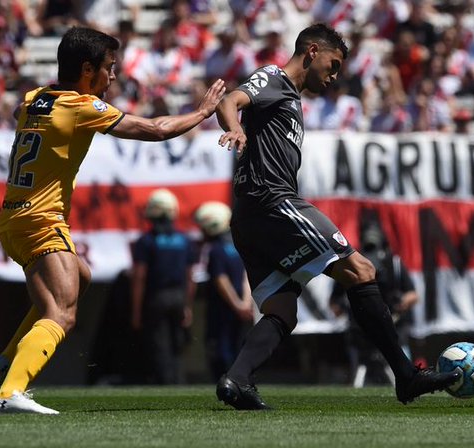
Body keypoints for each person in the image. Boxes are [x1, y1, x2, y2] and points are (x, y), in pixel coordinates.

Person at [213, 23, 460, 410]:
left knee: (282, 310)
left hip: (248, 218)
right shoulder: (275, 79)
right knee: (361, 270)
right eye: (333, 65)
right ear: (312, 51)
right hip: (273, 202)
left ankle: (237, 379)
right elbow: (230, 100)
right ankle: (406, 375)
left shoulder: (289, 98)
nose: (333, 77)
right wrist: (235, 130)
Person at [0, 26, 225, 414]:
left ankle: (5, 362)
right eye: (109, 67)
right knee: (62, 314)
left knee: (79, 277)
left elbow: (19, 112)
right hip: (41, 221)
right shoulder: (80, 106)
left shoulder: (34, 98)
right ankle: (10, 391)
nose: (113, 76)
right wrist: (202, 112)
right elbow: (155, 129)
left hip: (13, 218)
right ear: (87, 69)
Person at [330, 220, 419, 387]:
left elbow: (412, 294)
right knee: (359, 366)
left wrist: (399, 306)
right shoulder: (351, 263)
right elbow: (334, 301)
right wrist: (349, 309)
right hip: (360, 332)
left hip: (394, 326)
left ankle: (409, 379)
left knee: (401, 362)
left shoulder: (394, 263)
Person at [130, 189, 196, 384]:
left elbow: (139, 277)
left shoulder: (146, 241)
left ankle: (165, 383)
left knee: (159, 343)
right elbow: (190, 277)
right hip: (179, 296)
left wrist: (136, 311)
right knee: (178, 342)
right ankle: (178, 382)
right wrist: (188, 306)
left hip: (156, 297)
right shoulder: (184, 240)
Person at [193, 201, 253, 381]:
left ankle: (227, 383)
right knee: (237, 347)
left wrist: (236, 305)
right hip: (241, 307)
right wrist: (245, 303)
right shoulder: (238, 246)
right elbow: (246, 276)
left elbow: (221, 280)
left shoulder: (215, 250)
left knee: (220, 348)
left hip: (222, 308)